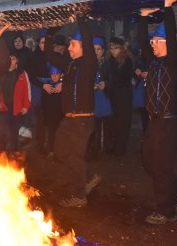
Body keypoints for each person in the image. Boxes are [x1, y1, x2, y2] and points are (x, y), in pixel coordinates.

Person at [44, 15, 100, 208]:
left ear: (84, 46)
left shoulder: (89, 64)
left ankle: (79, 196)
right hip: (68, 120)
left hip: (82, 121)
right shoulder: (69, 65)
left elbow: (86, 36)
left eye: (73, 45)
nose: (69, 48)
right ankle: (89, 176)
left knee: (74, 155)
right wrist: (52, 31)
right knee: (59, 151)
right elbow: (49, 55)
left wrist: (80, 19)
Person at [138, 0, 177, 225]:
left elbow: (172, 40)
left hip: (168, 121)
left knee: (161, 165)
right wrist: (143, 17)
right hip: (153, 121)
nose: (153, 44)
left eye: (158, 41)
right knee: (148, 161)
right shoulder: (153, 63)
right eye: (153, 41)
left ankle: (166, 211)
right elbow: (141, 42)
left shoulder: (173, 63)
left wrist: (168, 8)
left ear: (169, 43)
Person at [104, 36, 134, 156]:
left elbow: (122, 81)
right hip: (113, 96)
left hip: (123, 98)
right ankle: (112, 146)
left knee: (123, 123)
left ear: (121, 49)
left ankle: (120, 149)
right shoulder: (110, 61)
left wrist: (109, 85)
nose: (113, 51)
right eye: (111, 48)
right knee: (113, 123)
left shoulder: (127, 62)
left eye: (115, 48)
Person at [0, 54, 31, 152]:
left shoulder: (22, 73)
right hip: (3, 107)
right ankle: (1, 155)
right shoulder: (1, 73)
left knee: (14, 133)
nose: (11, 61)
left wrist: (26, 106)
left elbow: (27, 90)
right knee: (1, 133)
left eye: (13, 59)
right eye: (9, 59)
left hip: (16, 108)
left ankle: (14, 156)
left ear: (17, 60)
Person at [87, 35, 112, 160]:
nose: (96, 52)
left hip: (104, 98)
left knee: (107, 126)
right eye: (94, 49)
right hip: (92, 99)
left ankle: (106, 149)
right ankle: (94, 150)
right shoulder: (87, 64)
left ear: (103, 51)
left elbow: (114, 80)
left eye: (98, 49)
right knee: (93, 127)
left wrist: (106, 84)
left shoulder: (108, 65)